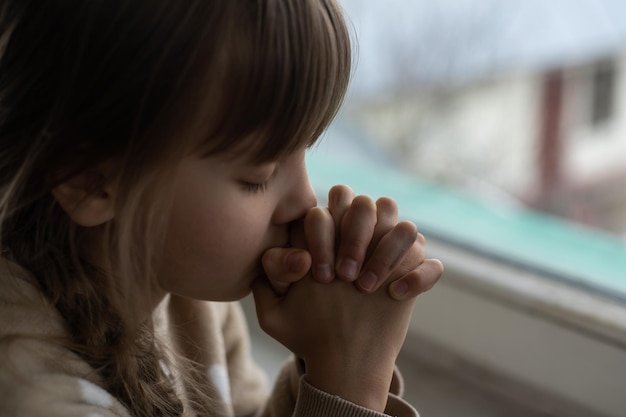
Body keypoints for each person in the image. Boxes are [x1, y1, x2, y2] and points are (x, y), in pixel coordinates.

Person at [0, 0, 444, 416]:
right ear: (88, 181)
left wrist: (327, 358)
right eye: (258, 176)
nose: (305, 203)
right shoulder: (32, 392)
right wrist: (350, 382)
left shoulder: (188, 299)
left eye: (305, 151)